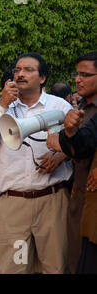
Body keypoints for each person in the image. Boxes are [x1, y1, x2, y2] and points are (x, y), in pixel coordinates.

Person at [0, 52, 73, 274]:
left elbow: (78, 143)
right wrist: (1, 104)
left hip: (52, 201)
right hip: (13, 206)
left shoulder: (60, 106)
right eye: (17, 70)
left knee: (55, 267)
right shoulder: (0, 107)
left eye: (28, 70)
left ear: (43, 78)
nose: (20, 74)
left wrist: (61, 155)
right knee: (14, 268)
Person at [46, 51, 97, 273]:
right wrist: (66, 139)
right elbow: (83, 146)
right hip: (82, 197)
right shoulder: (82, 109)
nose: (78, 79)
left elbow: (85, 143)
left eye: (85, 74)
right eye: (77, 74)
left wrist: (64, 139)